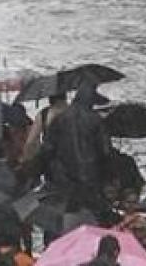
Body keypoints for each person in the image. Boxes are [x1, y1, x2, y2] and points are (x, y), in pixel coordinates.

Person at [41, 81, 111, 217]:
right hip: (91, 180)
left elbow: (47, 149)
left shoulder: (60, 119)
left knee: (65, 218)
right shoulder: (96, 120)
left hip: (64, 180)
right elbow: (105, 152)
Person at [22, 93, 68, 165]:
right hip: (72, 159)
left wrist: (25, 160)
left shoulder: (43, 114)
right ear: (65, 97)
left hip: (51, 161)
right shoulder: (76, 112)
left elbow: (30, 142)